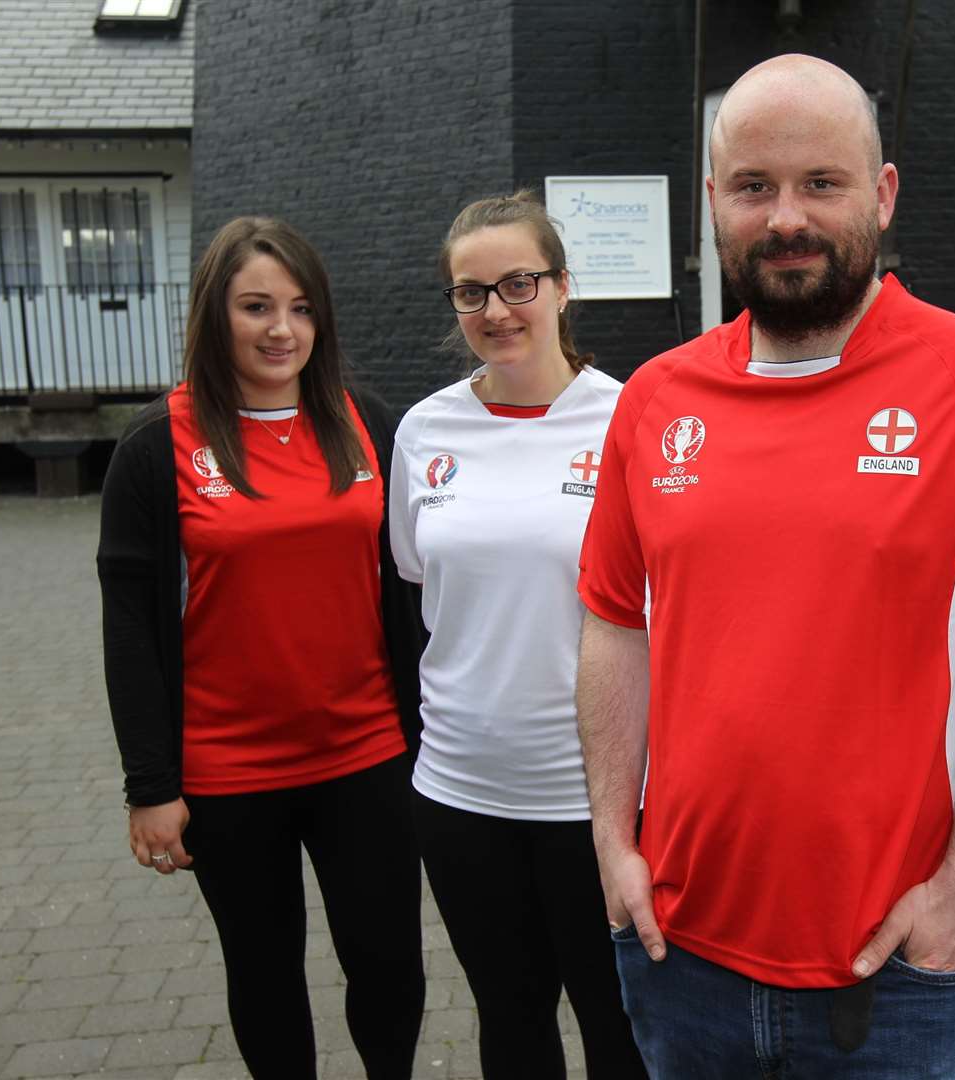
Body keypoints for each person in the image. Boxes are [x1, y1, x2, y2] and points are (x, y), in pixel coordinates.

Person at [574, 54, 955, 1078]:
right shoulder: (655, 398)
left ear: (884, 193)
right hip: (677, 954)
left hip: (894, 970)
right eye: (754, 186)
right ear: (714, 201)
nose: (786, 219)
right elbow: (611, 623)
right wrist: (609, 839)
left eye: (822, 183)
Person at [97, 217, 426, 1080]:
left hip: (368, 756)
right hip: (229, 772)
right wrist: (150, 787)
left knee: (390, 965)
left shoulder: (367, 422)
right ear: (215, 316)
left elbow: (418, 587)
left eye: (301, 308)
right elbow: (128, 629)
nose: (282, 330)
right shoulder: (153, 447)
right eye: (256, 307)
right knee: (266, 973)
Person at [389, 192, 647, 1080]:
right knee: (511, 1023)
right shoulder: (424, 431)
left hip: (598, 801)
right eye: (471, 292)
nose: (496, 310)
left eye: (518, 283)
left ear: (564, 287)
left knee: (619, 1029)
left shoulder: (632, 420)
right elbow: (420, 586)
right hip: (461, 793)